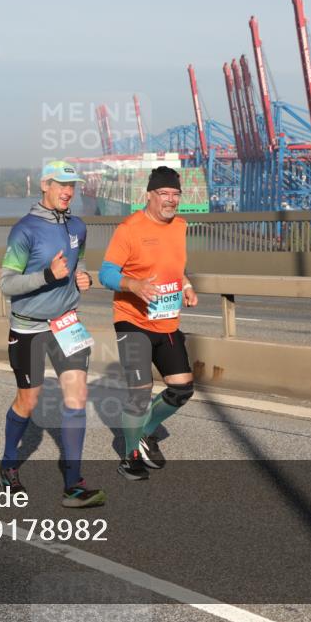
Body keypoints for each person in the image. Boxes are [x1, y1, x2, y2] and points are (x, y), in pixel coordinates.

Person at [0, 161, 105, 508]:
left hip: (66, 323)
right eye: (61, 184)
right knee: (29, 401)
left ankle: (73, 483)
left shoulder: (78, 225)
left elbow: (79, 262)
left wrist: (82, 277)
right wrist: (47, 274)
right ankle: (8, 464)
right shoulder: (24, 230)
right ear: (45, 184)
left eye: (72, 185)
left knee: (77, 396)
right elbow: (7, 283)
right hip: (28, 327)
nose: (68, 191)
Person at [99, 166, 199, 481]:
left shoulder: (181, 226)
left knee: (182, 389)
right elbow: (106, 274)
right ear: (150, 195)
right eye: (164, 194)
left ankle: (146, 432)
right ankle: (130, 458)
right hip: (132, 320)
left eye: (175, 195)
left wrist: (185, 285)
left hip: (166, 321)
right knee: (140, 392)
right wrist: (134, 285)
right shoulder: (130, 229)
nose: (170, 200)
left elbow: (174, 266)